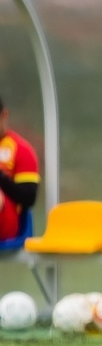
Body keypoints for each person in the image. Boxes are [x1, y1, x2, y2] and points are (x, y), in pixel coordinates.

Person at [0, 95, 39, 242]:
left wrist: (1, 178)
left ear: (4, 115)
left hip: (7, 221)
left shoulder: (21, 149)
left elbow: (29, 197)